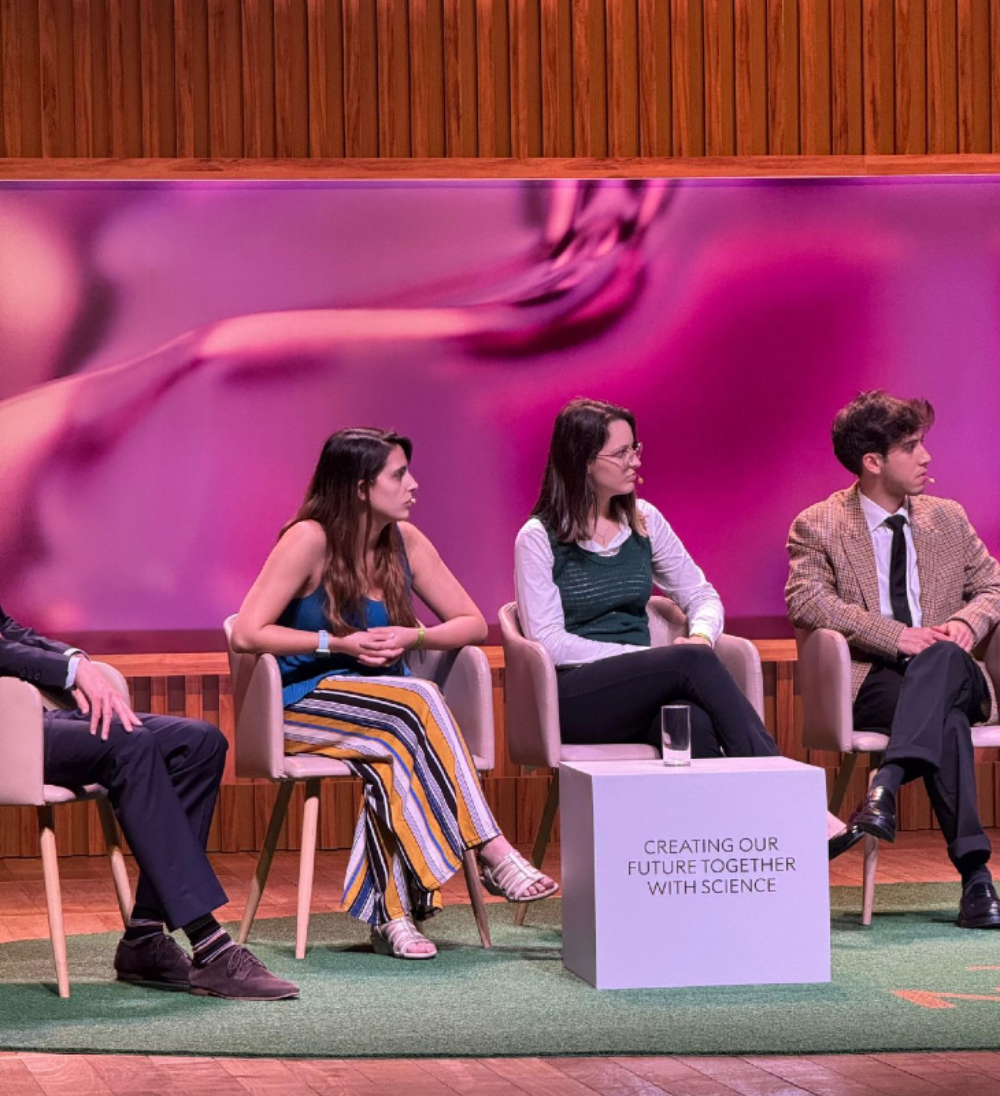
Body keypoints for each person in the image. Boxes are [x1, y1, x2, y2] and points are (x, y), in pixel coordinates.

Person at [232, 427, 558, 961]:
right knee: (420, 700)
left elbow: (473, 623)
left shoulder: (404, 542)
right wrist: (336, 642)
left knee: (393, 753)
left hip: (386, 715)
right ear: (361, 487)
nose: (413, 485)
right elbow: (247, 632)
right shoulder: (309, 538)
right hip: (303, 705)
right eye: (398, 474)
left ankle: (393, 917)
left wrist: (415, 635)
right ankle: (491, 848)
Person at [0, 607, 299, 998]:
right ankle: (209, 944)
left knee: (199, 743)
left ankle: (145, 936)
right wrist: (70, 672)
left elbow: (7, 630)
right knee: (130, 743)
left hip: (30, 716)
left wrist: (73, 659)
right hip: (10, 725)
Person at [786, 390, 1000, 929]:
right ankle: (976, 879)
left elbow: (994, 584)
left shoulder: (946, 518)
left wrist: (965, 624)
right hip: (877, 678)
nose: (926, 457)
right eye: (911, 446)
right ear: (873, 462)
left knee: (946, 658)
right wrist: (896, 635)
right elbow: (806, 598)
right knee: (944, 719)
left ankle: (886, 783)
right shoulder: (819, 523)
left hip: (955, 673)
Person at [515, 398, 793, 761]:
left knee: (692, 721)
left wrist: (700, 636)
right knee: (690, 661)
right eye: (621, 453)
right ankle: (775, 783)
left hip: (646, 690)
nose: (636, 461)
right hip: (573, 696)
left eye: (635, 448)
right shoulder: (537, 537)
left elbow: (702, 595)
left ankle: (731, 816)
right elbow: (549, 642)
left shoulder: (644, 520)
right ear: (582, 463)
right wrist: (651, 659)